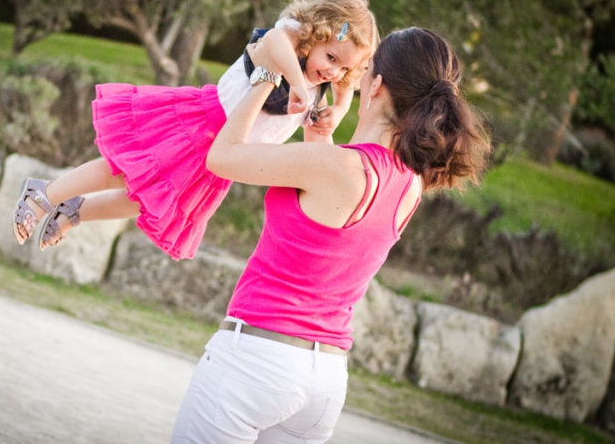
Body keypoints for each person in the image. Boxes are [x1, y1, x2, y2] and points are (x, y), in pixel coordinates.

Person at [169, 27, 491, 443]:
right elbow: (327, 216)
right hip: (324, 379)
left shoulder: (336, 167)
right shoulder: (410, 184)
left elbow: (221, 157)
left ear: (376, 85)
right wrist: (319, 134)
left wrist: (265, 75)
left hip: (256, 362)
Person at [10, 0, 379, 260]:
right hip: (202, 125)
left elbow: (342, 93)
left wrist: (339, 110)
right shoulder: (286, 43)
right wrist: (296, 83)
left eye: (344, 67)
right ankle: (44, 193)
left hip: (225, 159)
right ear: (314, 35)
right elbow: (275, 42)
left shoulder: (322, 86)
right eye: (331, 57)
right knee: (122, 171)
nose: (333, 71)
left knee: (148, 203)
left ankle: (75, 211)